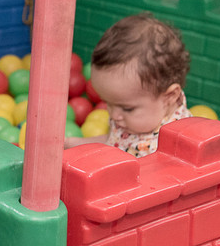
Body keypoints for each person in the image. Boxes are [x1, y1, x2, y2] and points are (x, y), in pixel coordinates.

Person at [66, 13, 191, 157]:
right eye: (108, 103)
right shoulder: (131, 119)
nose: (114, 115)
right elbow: (113, 143)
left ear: (170, 96)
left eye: (127, 109)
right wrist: (71, 143)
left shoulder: (177, 143)